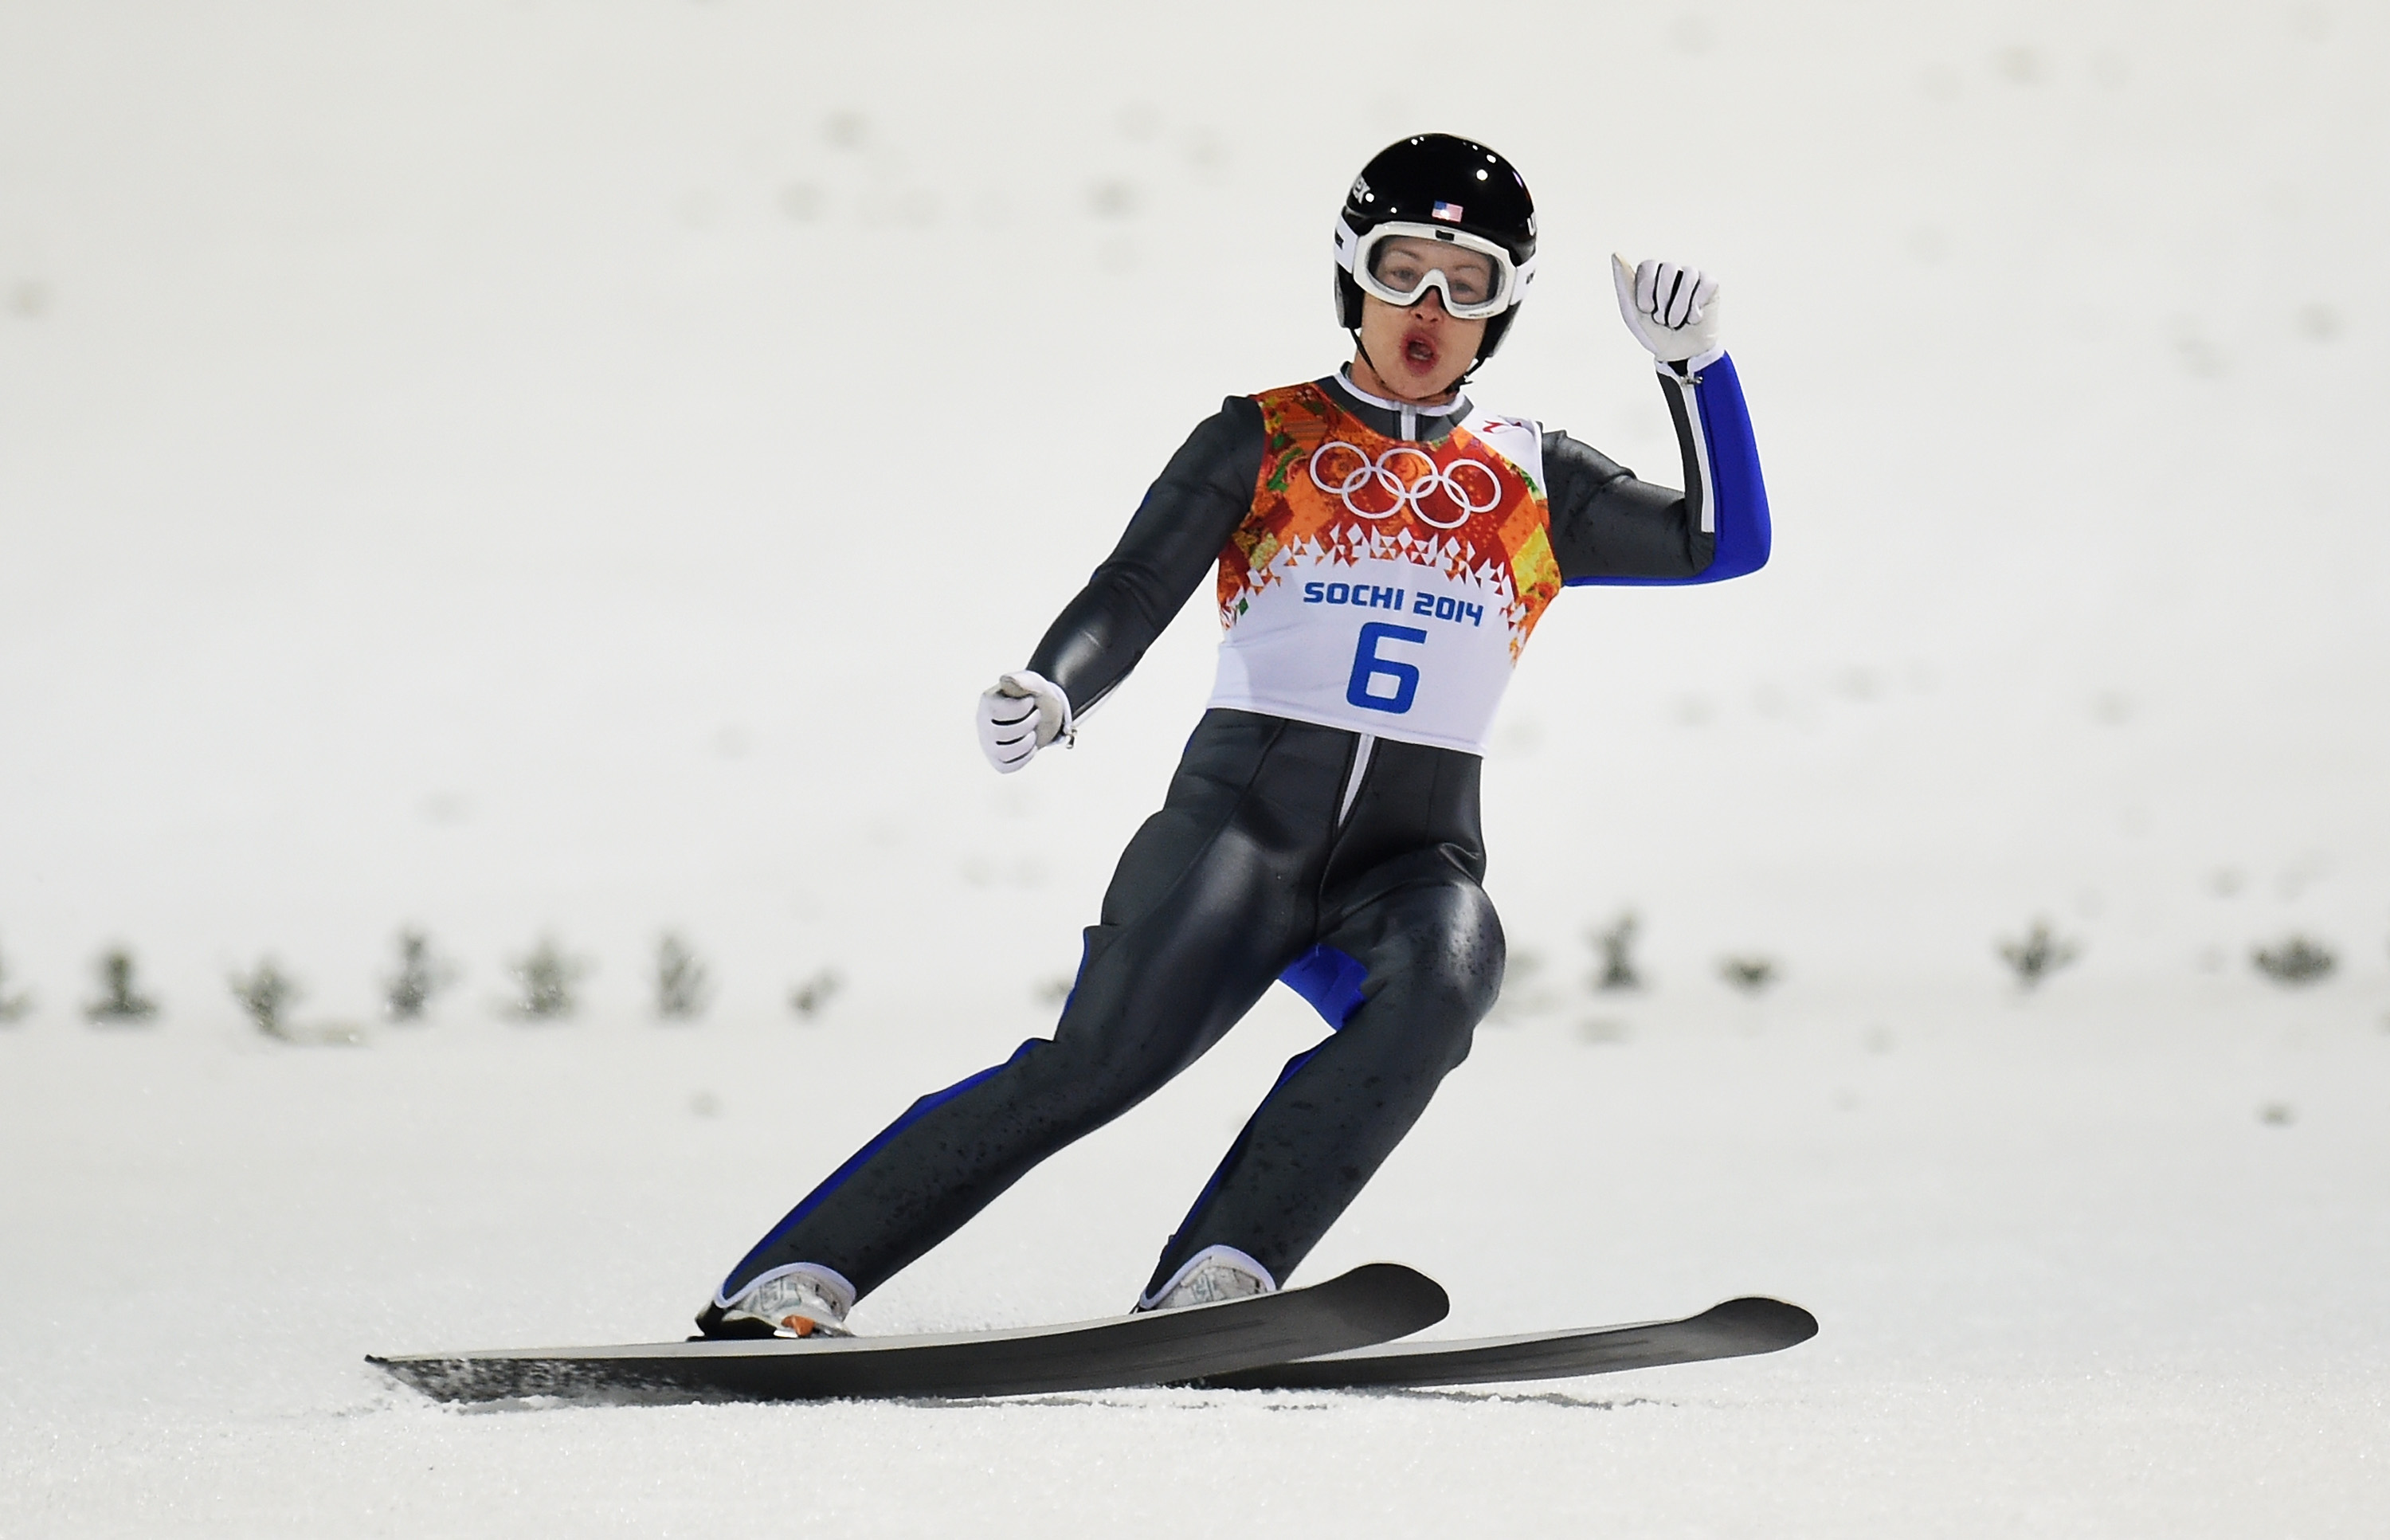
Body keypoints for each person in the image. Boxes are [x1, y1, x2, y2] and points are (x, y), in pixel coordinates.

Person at [697, 133, 1771, 1339]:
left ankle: (1224, 1266)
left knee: (1447, 982)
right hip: (1239, 839)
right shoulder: (1265, 436)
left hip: (1413, 863)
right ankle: (792, 1277)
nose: (1427, 304)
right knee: (1095, 1067)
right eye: (1399, 267)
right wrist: (1058, 685)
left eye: (1465, 283)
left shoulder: (1535, 478)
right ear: (1348, 277)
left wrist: (1698, 371)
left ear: (1504, 310)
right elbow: (1134, 584)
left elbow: (1721, 543)